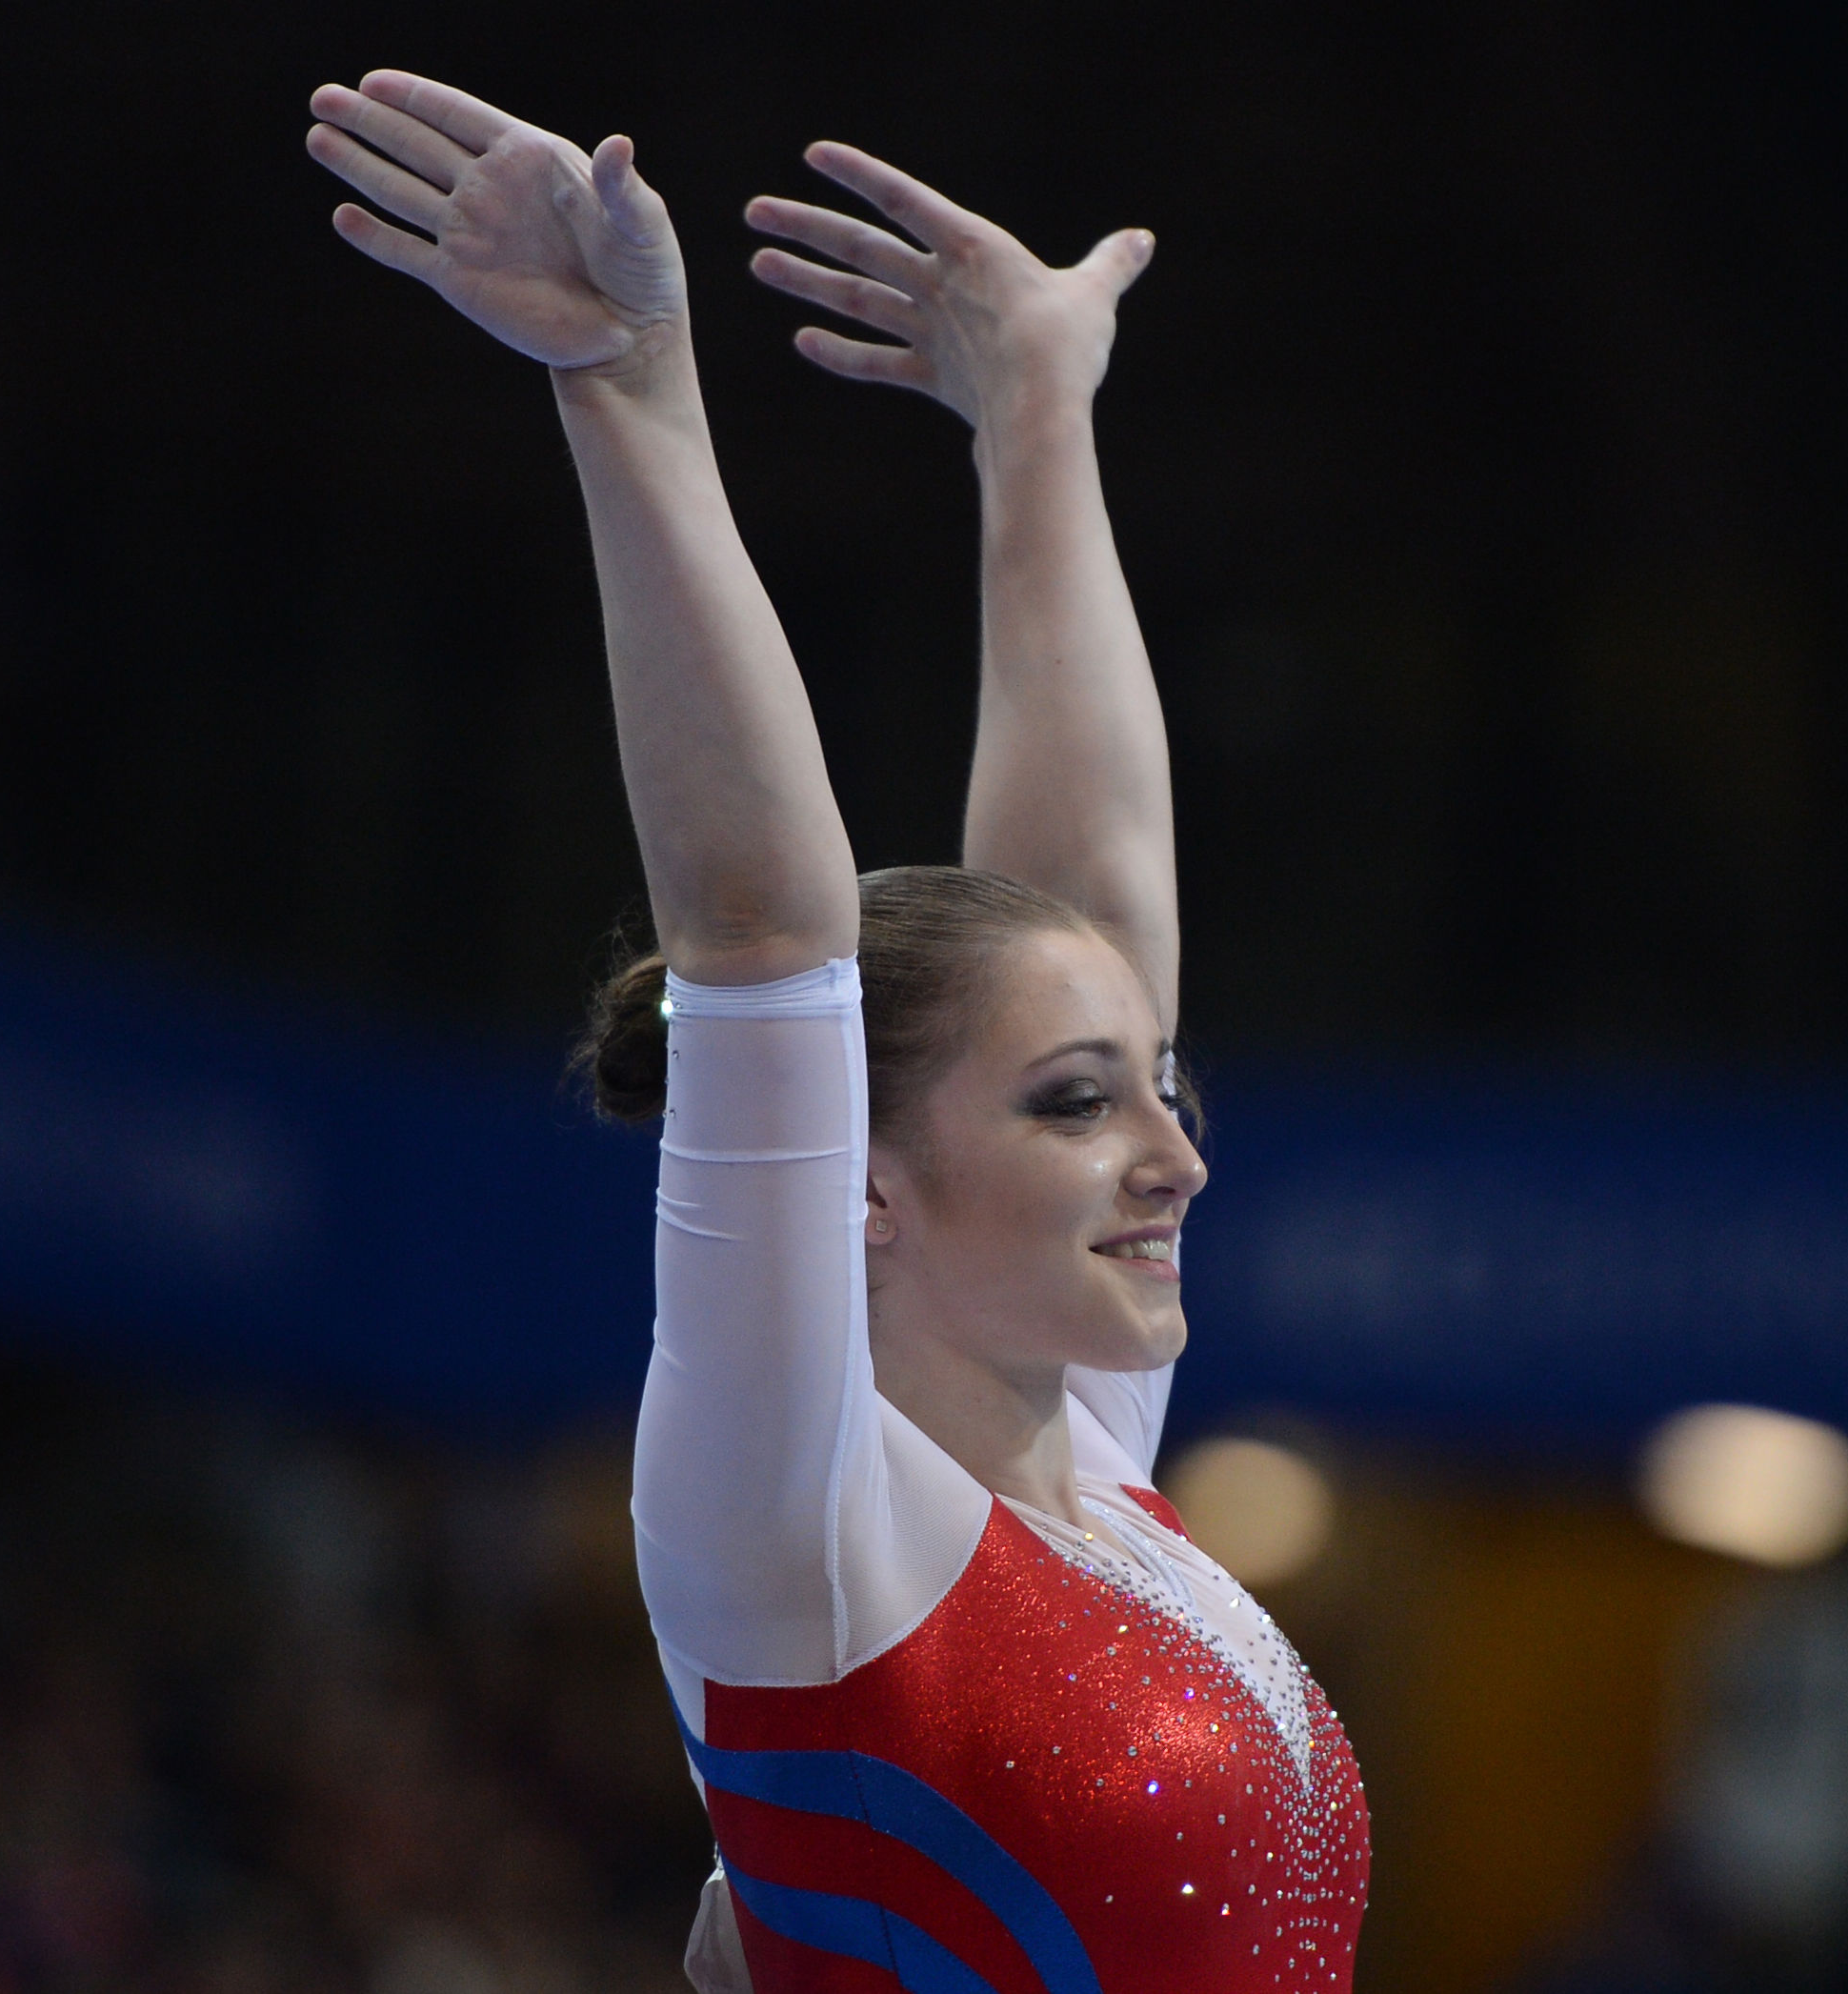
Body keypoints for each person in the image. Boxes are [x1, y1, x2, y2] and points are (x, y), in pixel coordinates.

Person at [304, 70, 1370, 1991]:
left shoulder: (1086, 1481)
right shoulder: (800, 1528)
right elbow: (758, 932)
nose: (1174, 1154)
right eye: (1075, 1107)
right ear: (859, 1186)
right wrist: (629, 390)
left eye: (1161, 1090)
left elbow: (1093, 907)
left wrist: (1035, 419)